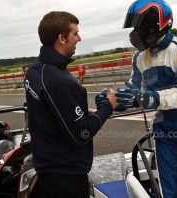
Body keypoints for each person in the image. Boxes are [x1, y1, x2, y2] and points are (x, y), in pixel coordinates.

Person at [116, 0, 177, 197]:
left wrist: (147, 98)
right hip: (164, 131)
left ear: (157, 23)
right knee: (168, 192)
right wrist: (117, 100)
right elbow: (135, 90)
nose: (135, 33)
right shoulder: (139, 58)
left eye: (139, 27)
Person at [24, 11, 117, 198]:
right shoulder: (58, 80)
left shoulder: (34, 70)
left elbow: (50, 110)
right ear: (62, 38)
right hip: (66, 177)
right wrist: (108, 107)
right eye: (75, 33)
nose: (79, 38)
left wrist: (81, 111)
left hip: (46, 168)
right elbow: (82, 134)